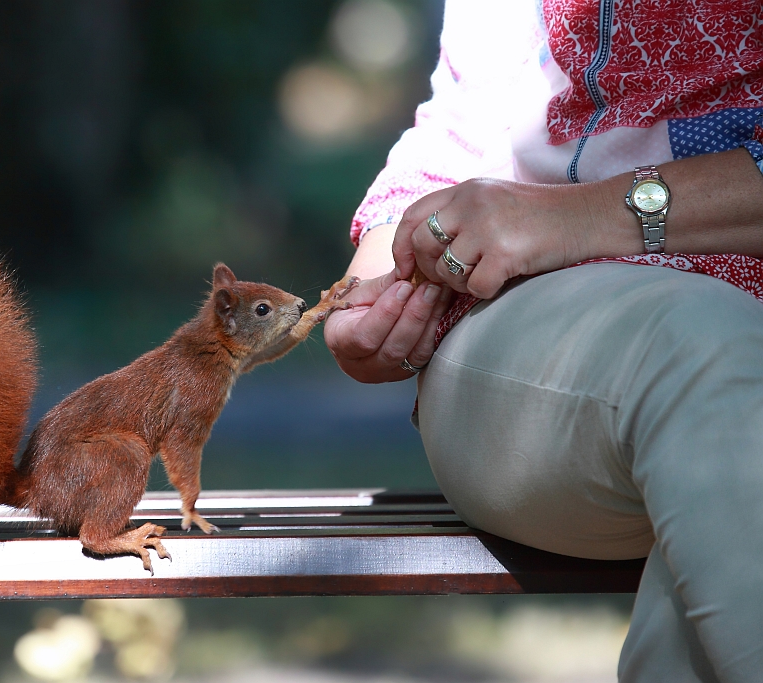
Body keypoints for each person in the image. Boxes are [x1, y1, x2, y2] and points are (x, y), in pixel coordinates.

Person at [323, 1, 763, 681]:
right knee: (711, 357)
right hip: (552, 337)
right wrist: (381, 279)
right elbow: (466, 125)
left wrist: (579, 218)